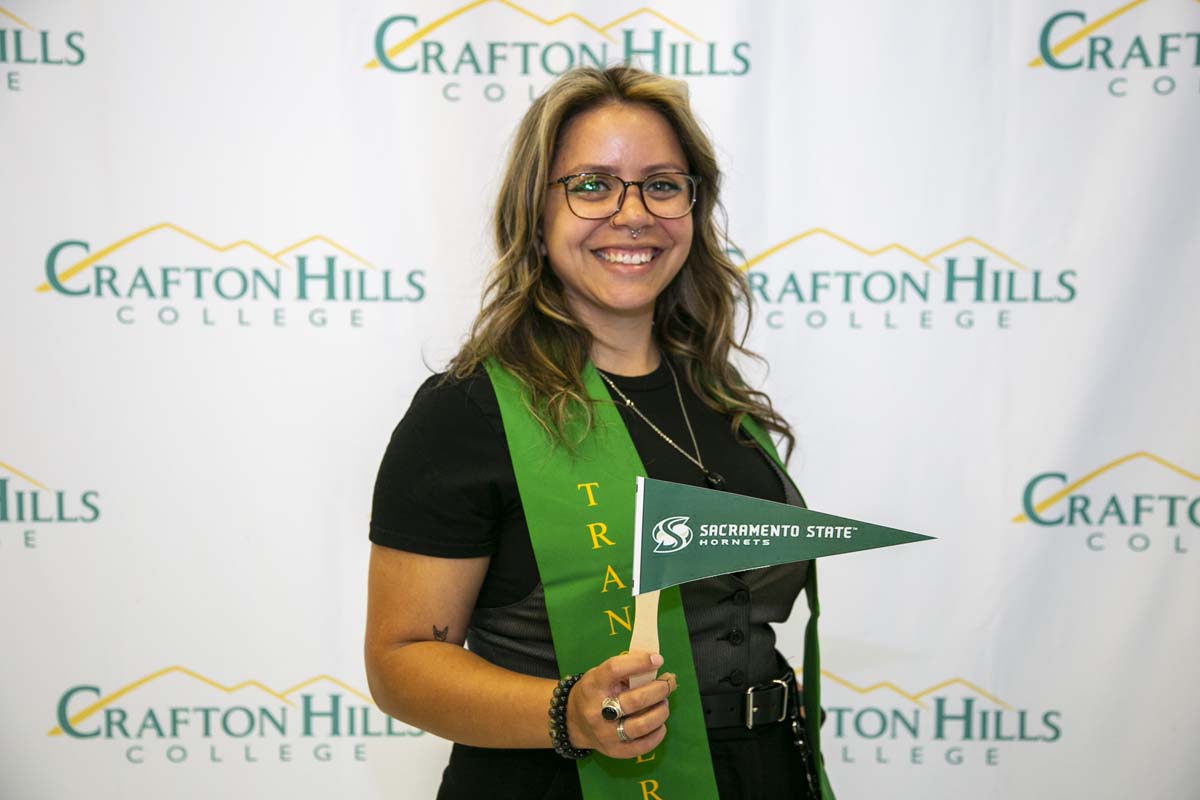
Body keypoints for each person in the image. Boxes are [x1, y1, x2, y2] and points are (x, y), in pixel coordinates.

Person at [365, 65, 832, 800]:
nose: (633, 212)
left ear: (693, 205)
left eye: (662, 184)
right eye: (592, 185)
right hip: (559, 781)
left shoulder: (718, 397)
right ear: (536, 213)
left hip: (763, 774)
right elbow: (401, 662)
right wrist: (567, 713)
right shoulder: (468, 412)